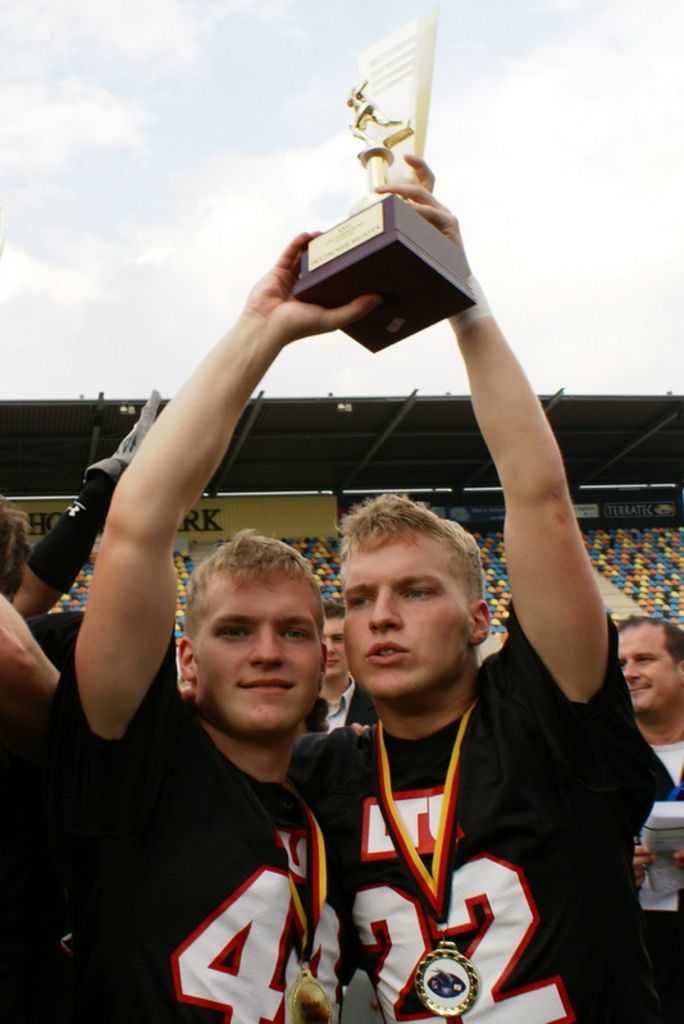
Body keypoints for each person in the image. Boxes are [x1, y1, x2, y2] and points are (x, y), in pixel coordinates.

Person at [291, 156, 661, 1022]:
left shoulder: (542, 717)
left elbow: (538, 495)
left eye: (416, 592)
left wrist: (460, 295)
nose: (381, 616)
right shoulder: (318, 769)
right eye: (359, 599)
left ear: (479, 619)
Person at [0, 235, 378, 1021]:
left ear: (324, 658)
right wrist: (263, 329)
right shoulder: (139, 764)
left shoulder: (341, 793)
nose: (268, 652)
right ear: (186, 661)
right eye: (234, 631)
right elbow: (139, 526)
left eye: (293, 632)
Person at [0, 394, 159, 1024]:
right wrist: (102, 488)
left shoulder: (48, 645)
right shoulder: (48, 638)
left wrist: (104, 490)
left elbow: (25, 606)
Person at [618, 616, 684, 1024]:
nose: (629, 673)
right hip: (638, 983)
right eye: (621, 663)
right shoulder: (598, 763)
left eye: (644, 659)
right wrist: (613, 872)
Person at [322, 600, 376, 731]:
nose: (329, 649)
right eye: (320, 639)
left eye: (338, 639)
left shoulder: (383, 709)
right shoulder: (286, 707)